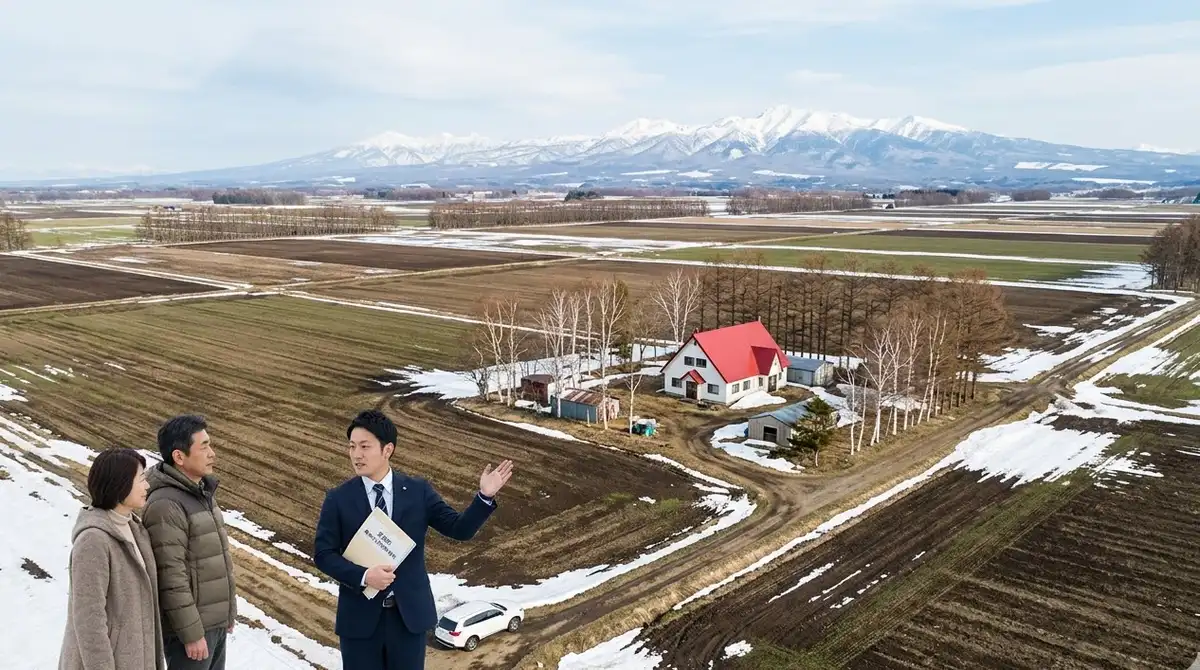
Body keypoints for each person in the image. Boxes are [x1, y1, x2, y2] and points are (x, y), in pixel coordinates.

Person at [314, 409, 513, 670]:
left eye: (364, 446)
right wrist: (364, 576)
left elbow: (459, 529)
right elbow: (323, 555)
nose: (356, 455)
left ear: (388, 450)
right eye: (352, 447)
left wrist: (484, 497)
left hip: (408, 619)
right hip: (359, 622)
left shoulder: (418, 492)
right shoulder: (338, 499)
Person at [143, 415, 237, 670]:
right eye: (204, 446)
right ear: (179, 456)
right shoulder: (166, 504)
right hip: (192, 634)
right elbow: (171, 577)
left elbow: (215, 560)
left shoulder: (200, 493)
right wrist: (191, 633)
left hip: (212, 624)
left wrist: (226, 612)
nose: (212, 453)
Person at [59, 447, 165, 670]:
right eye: (141, 479)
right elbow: (89, 620)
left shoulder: (135, 528)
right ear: (120, 484)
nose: (147, 486)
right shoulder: (93, 540)